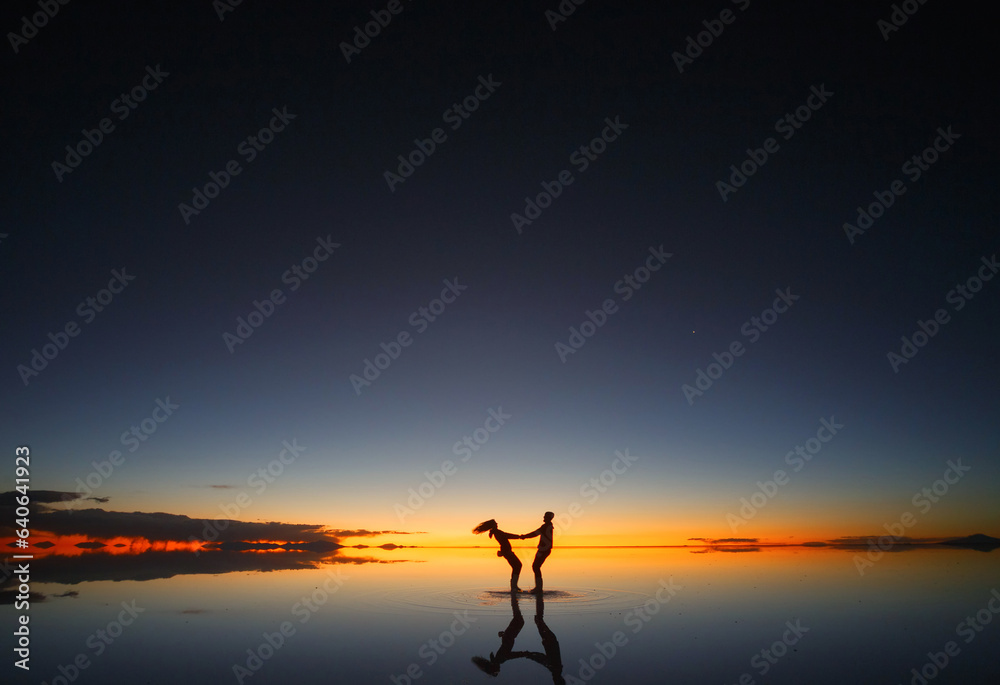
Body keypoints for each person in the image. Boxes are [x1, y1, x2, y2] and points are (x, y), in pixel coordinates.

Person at [473, 519, 522, 592]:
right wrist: (519, 536)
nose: (497, 523)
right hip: (506, 551)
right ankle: (514, 587)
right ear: (493, 525)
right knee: (518, 565)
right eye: (495, 523)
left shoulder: (496, 532)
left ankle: (514, 586)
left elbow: (507, 535)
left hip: (506, 551)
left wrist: (519, 537)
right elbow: (508, 535)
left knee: (516, 566)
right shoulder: (497, 532)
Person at [519, 511, 554, 594]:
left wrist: (524, 536)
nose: (543, 517)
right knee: (536, 567)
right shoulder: (549, 526)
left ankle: (539, 588)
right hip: (545, 549)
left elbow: (535, 533)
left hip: (543, 550)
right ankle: (538, 587)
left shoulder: (546, 526)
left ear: (548, 518)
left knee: (536, 567)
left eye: (545, 516)